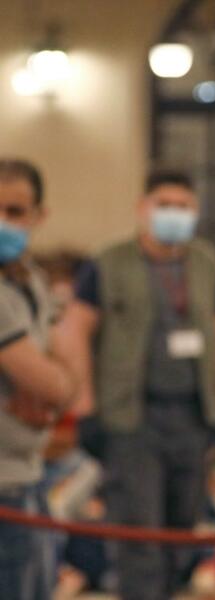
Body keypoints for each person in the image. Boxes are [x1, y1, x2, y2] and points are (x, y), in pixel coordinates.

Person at [56, 169, 215, 600]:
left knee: (181, 536)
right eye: (164, 205)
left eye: (183, 206)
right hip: (132, 420)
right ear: (143, 209)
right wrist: (85, 408)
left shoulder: (204, 262)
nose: (173, 214)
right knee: (138, 539)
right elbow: (74, 333)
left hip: (192, 417)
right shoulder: (108, 262)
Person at [0, 159, 78, 600]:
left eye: (15, 211)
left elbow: (63, 360)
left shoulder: (31, 278)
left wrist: (53, 386)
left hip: (29, 473)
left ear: (37, 216)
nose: (3, 222)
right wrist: (55, 389)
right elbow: (54, 383)